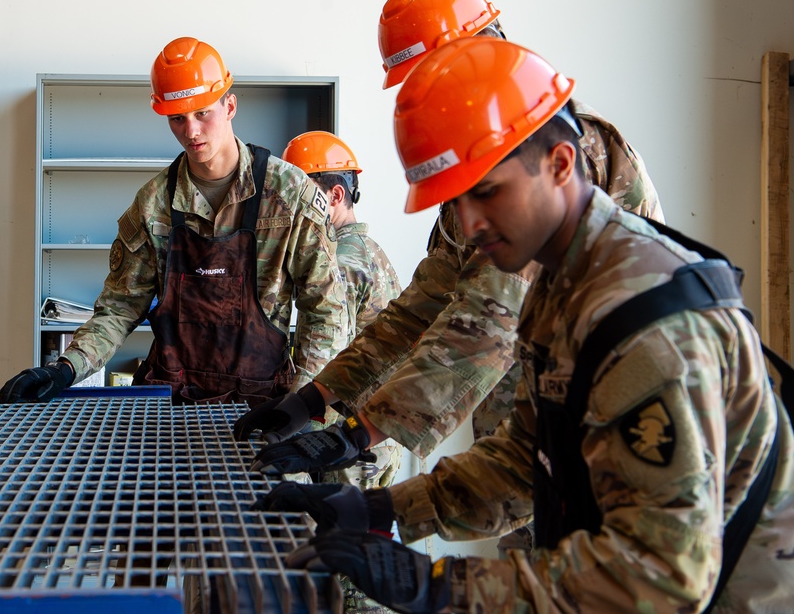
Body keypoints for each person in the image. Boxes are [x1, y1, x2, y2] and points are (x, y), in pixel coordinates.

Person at [260, 37, 794, 613]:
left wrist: (440, 587)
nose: (470, 224)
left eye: (487, 193)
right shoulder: (563, 283)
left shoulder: (643, 325)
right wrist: (382, 509)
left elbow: (660, 578)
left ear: (563, 164)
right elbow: (526, 459)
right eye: (456, 202)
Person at [234, 0, 663, 508]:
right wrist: (315, 398)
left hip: (625, 420)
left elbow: (487, 323)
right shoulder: (482, 165)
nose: (423, 99)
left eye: (428, 78)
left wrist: (358, 433)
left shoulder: (551, 154)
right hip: (535, 417)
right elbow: (423, 305)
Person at [0, 37, 348, 406]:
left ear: (230, 105)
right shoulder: (154, 204)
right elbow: (120, 308)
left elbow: (325, 313)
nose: (191, 131)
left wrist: (303, 403)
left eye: (202, 114)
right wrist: (64, 369)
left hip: (260, 407)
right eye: (177, 118)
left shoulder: (289, 195)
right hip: (169, 404)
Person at [283, 130, 405, 614]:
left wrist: (296, 413)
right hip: (367, 435)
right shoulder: (365, 251)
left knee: (354, 575)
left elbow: (327, 355)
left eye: (304, 200)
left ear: (335, 196)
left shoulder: (346, 263)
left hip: (356, 441)